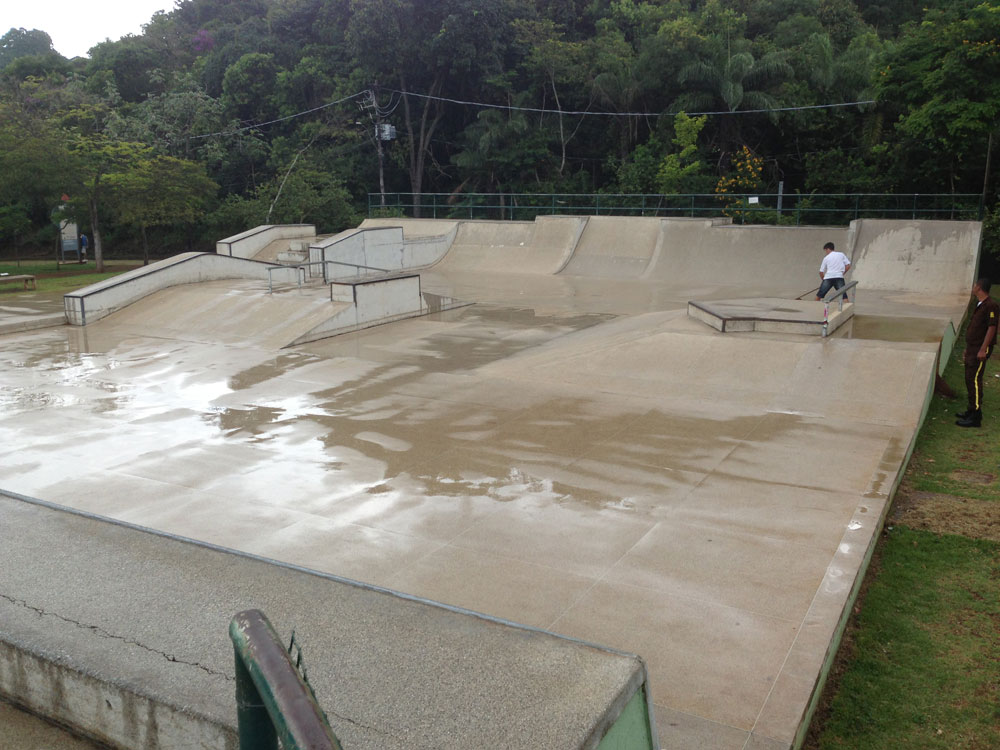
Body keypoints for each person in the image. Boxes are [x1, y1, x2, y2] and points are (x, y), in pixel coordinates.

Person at [956, 278, 999, 428]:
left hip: (980, 348)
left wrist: (982, 349)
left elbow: (992, 328)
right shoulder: (980, 304)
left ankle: (976, 416)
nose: (973, 287)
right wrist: (968, 348)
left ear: (979, 288)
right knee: (969, 378)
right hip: (973, 347)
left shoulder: (991, 305)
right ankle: (971, 409)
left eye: (975, 285)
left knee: (974, 379)